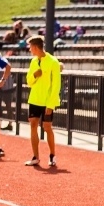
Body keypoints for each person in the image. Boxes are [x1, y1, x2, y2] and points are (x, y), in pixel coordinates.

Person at [23, 36, 62, 168]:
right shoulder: (33, 62)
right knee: (33, 125)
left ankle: (52, 155)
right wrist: (34, 75)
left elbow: (56, 85)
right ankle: (36, 156)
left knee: (47, 127)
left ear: (35, 47)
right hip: (34, 99)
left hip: (47, 101)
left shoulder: (53, 62)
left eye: (30, 47)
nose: (29, 50)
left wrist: (51, 105)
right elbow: (28, 81)